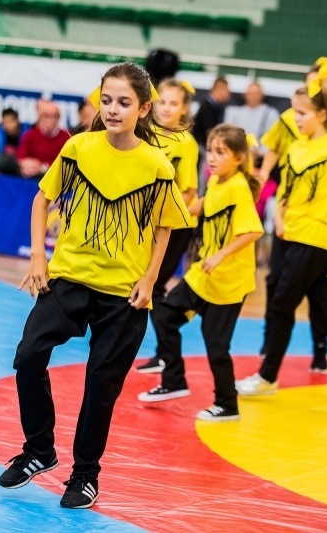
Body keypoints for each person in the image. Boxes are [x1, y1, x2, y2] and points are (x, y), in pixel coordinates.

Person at [0, 62, 191, 509]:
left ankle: (85, 475)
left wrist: (150, 278)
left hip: (123, 294)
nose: (113, 109)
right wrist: (39, 256)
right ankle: (39, 450)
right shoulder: (78, 148)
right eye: (106, 101)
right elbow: (42, 198)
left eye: (124, 102)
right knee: (28, 356)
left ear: (143, 109)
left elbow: (165, 227)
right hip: (69, 278)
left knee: (100, 387)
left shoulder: (157, 165)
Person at [237, 76, 327, 414]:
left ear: (321, 115)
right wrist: (280, 215)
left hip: (318, 237)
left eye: (302, 113)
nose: (296, 118)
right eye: (294, 111)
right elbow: (289, 188)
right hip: (293, 234)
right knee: (323, 309)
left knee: (281, 303)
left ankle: (267, 376)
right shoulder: (297, 147)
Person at [246, 57, 327, 375]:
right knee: (278, 284)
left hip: (321, 224)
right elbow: (276, 150)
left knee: (317, 294)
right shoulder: (292, 120)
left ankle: (319, 351)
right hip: (290, 219)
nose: (309, 90)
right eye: (308, 83)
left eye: (317, 85)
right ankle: (270, 347)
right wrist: (265, 180)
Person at [138, 124, 264, 421]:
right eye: (210, 150)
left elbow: (253, 231)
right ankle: (174, 380)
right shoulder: (219, 181)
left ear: (238, 159)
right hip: (203, 275)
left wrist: (220, 255)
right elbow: (204, 204)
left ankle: (227, 405)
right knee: (165, 315)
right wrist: (171, 213)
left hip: (229, 282)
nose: (212, 157)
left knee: (216, 346)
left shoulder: (239, 187)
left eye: (221, 152)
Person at [135, 78, 198, 374]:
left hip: (174, 224)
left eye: (174, 103)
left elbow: (189, 192)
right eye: (163, 102)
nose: (167, 108)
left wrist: (162, 218)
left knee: (156, 284)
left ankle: (167, 355)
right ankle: (163, 353)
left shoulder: (186, 143)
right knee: (146, 283)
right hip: (148, 222)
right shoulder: (145, 133)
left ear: (184, 108)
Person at [223, 81, 279, 164]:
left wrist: (261, 152)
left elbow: (274, 139)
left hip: (261, 159)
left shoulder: (271, 114)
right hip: (238, 156)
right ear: (245, 95)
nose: (253, 96)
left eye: (256, 93)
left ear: (262, 95)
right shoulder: (234, 113)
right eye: (251, 93)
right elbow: (227, 136)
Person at [191, 76, 229, 194]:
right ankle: (200, 195)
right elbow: (210, 132)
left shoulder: (216, 106)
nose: (228, 94)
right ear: (219, 89)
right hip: (201, 148)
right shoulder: (207, 106)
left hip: (204, 147)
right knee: (202, 175)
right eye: (227, 90)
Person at [16, 100, 71, 178]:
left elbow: (66, 163)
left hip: (53, 178)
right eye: (46, 116)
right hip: (29, 176)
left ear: (59, 118)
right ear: (40, 117)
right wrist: (27, 165)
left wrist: (43, 167)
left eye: (54, 116)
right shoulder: (30, 134)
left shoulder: (67, 138)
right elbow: (20, 156)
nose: (50, 120)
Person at [0, 107, 27, 175]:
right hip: (1, 168)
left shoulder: (27, 134)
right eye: (4, 123)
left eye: (10, 122)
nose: (7, 126)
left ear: (17, 121)